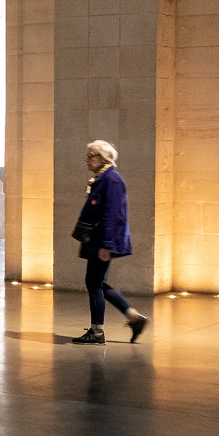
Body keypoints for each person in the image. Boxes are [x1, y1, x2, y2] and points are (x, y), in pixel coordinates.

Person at [71, 140, 148, 345]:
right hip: (96, 240)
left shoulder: (112, 180)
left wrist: (107, 245)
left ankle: (97, 332)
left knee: (94, 283)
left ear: (103, 157)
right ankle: (133, 317)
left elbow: (114, 215)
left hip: (102, 242)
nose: (87, 158)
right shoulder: (102, 178)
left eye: (91, 155)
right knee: (95, 282)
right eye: (88, 154)